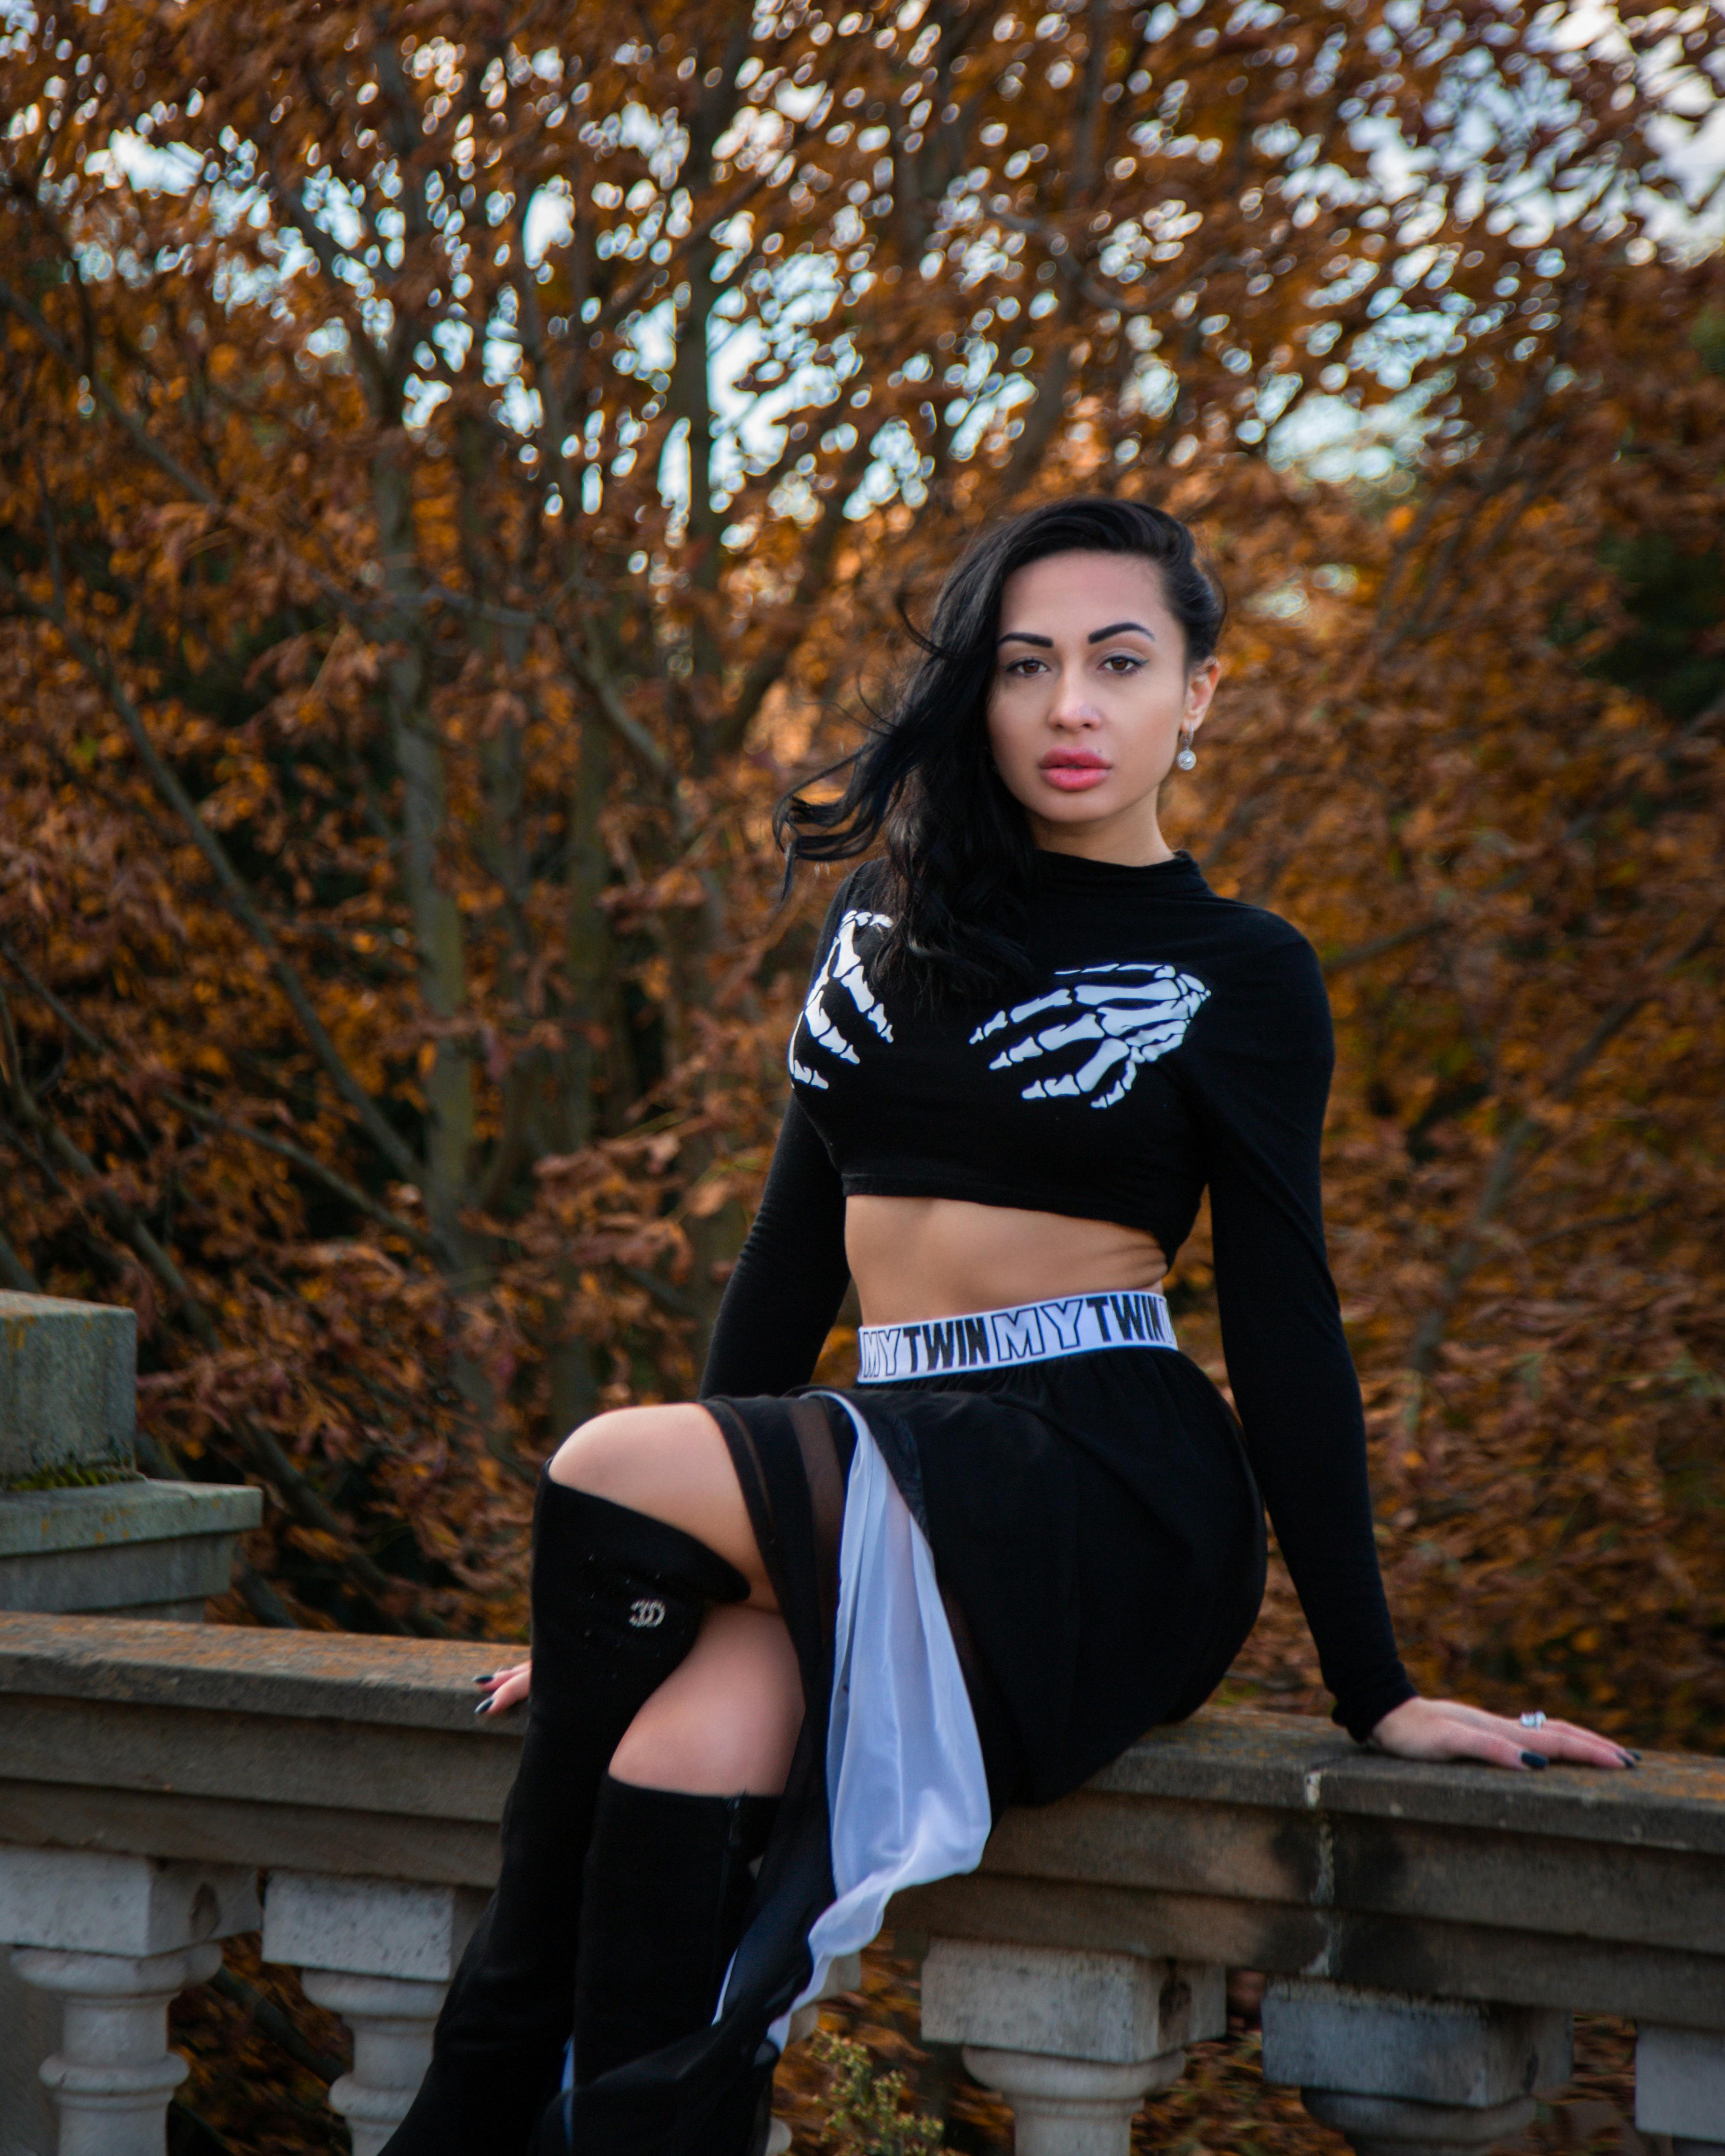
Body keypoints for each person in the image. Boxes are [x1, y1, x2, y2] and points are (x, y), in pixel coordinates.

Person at [383, 496, 1634, 2156]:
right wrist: (628, 1586)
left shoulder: (1239, 967)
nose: (1069, 706)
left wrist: (1374, 1686)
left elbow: (1284, 1321)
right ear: (978, 693)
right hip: (907, 1465)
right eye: (1027, 665)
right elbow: (785, 1261)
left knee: (606, 1455)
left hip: (1103, 1481)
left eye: (1120, 663)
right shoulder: (888, 925)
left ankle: (460, 2112)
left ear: (1198, 693)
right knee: (675, 1755)